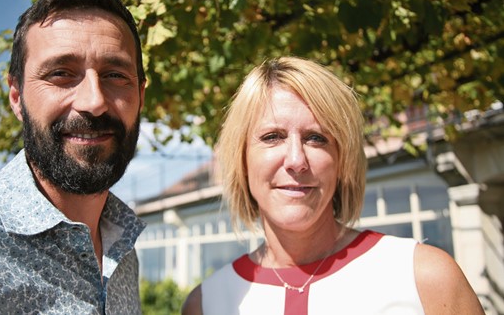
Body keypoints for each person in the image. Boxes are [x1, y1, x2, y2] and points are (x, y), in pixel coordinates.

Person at [182, 57, 484, 315]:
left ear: (342, 159)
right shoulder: (206, 304)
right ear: (242, 158)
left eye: (317, 138)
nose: (296, 160)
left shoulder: (424, 277)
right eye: (272, 136)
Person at [0, 0, 147, 314]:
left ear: (140, 96)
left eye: (115, 75)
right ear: (16, 97)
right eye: (60, 74)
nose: (94, 101)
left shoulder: (123, 249)